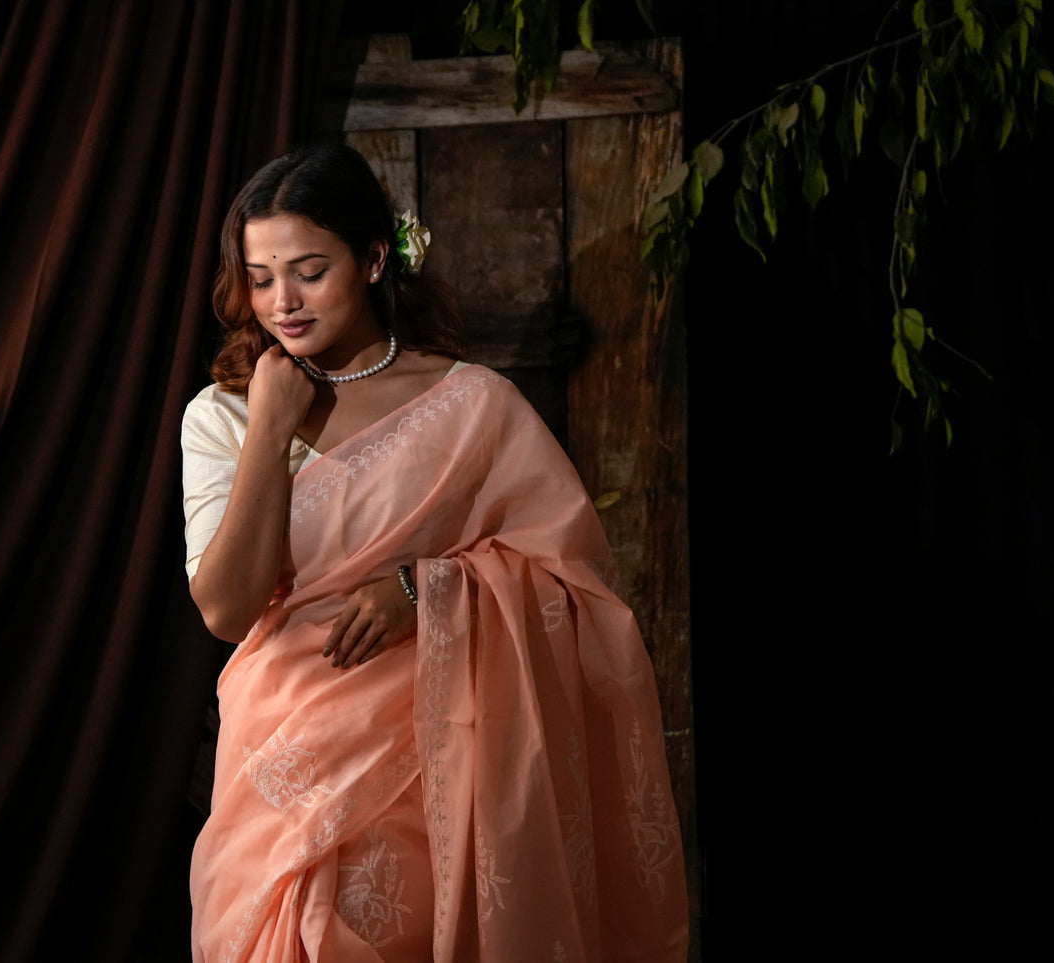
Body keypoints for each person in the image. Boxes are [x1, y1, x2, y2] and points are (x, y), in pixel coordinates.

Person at [182, 143, 687, 962]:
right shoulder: (222, 416)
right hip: (276, 767)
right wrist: (269, 426)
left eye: (309, 271)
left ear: (373, 259)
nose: (282, 302)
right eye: (261, 277)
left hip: (433, 769)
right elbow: (226, 610)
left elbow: (576, 585)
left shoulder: (474, 405)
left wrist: (425, 588)